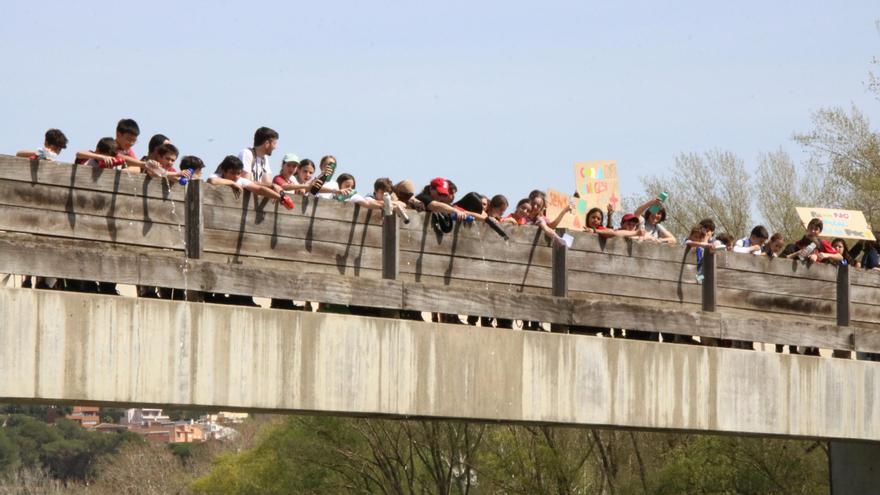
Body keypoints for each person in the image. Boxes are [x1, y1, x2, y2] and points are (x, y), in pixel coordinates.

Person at [207, 155, 294, 208]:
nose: (236, 176)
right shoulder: (217, 176)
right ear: (223, 171)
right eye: (232, 173)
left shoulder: (241, 181)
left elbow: (259, 189)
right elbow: (211, 180)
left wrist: (281, 198)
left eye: (238, 173)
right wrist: (232, 183)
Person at [76, 119, 144, 170]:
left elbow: (137, 167)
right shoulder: (108, 145)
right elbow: (79, 154)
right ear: (118, 134)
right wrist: (101, 157)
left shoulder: (128, 151)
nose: (131, 144)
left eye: (134, 141)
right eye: (129, 139)